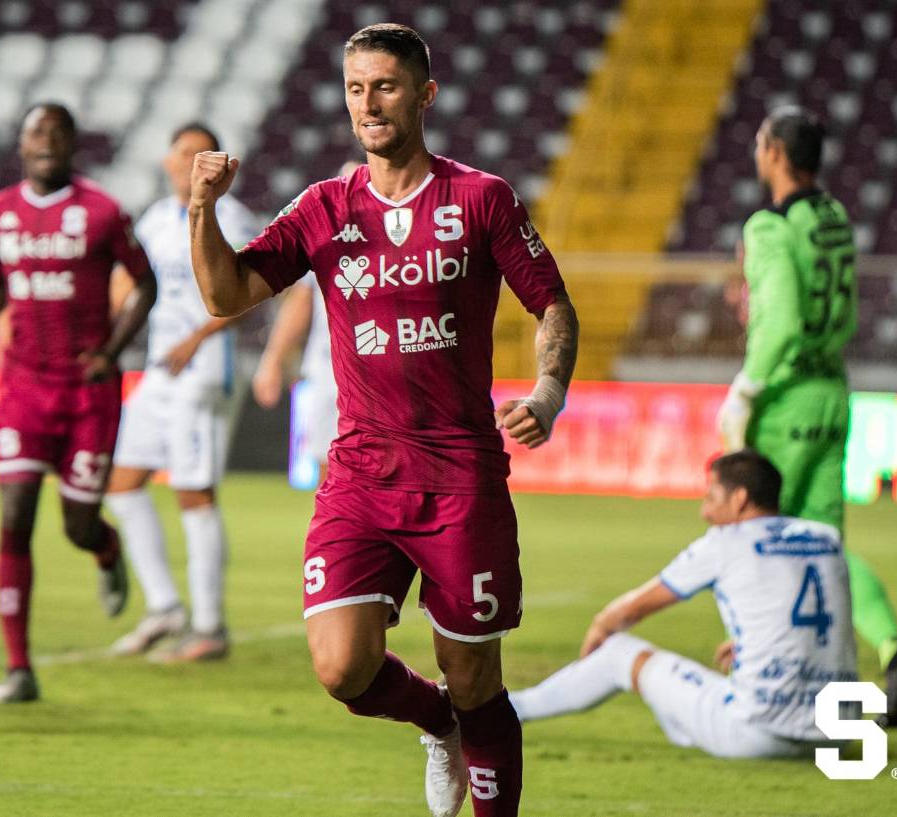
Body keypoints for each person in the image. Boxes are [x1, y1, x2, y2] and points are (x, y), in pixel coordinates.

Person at [187, 24, 578, 817]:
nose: (368, 103)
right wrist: (202, 210)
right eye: (356, 88)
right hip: (361, 473)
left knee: (477, 678)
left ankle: (472, 747)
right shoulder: (326, 208)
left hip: (459, 476)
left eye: (386, 86)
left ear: (425, 95)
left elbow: (553, 304)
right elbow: (226, 296)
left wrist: (546, 392)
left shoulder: (481, 198)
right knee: (341, 668)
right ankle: (437, 723)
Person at [0, 103, 157, 704]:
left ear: (73, 145)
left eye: (58, 134)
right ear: (21, 143)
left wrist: (113, 351)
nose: (47, 143)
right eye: (37, 133)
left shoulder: (103, 212)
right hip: (23, 388)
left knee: (78, 524)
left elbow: (146, 283)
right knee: (14, 517)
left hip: (88, 394)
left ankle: (106, 550)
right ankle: (18, 667)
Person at [717, 106, 897, 728]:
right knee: (825, 543)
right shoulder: (834, 217)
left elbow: (779, 318)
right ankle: (894, 652)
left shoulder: (770, 227)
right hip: (835, 390)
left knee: (756, 533)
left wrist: (748, 387)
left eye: (760, 142)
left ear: (777, 153)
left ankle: (764, 670)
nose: (757, 152)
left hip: (786, 397)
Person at [509, 450, 858, 758]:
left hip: (759, 733)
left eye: (711, 497)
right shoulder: (825, 538)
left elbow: (631, 610)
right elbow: (819, 613)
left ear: (739, 499)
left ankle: (509, 711)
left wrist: (602, 626)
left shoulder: (726, 541)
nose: (704, 511)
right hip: (837, 732)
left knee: (619, 653)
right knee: (689, 695)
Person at [104, 123, 259, 662]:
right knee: (122, 484)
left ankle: (211, 626)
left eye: (199, 153)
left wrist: (198, 336)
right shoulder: (153, 219)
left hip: (201, 372)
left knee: (194, 493)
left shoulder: (231, 216)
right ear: (168, 161)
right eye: (181, 152)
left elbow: (250, 290)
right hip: (156, 371)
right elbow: (130, 286)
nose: (187, 162)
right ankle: (166, 607)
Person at [252, 160, 362, 481]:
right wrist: (272, 360)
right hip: (328, 370)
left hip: (382, 373)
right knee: (330, 472)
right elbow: (300, 304)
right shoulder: (324, 241)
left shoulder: (402, 241)